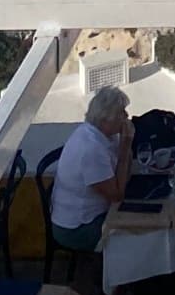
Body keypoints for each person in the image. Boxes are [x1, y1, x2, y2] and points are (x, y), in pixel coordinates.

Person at [51, 84, 134, 256]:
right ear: (106, 119)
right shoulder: (91, 148)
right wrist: (126, 146)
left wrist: (125, 144)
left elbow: (124, 170)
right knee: (132, 233)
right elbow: (116, 196)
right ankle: (114, 278)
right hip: (76, 227)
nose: (126, 117)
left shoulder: (102, 135)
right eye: (121, 113)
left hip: (92, 214)